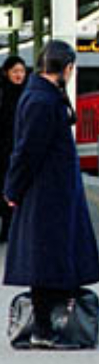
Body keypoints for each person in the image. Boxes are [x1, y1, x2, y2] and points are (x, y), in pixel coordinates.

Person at [4, 40, 99, 349]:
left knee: (53, 260)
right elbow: (27, 151)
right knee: (47, 262)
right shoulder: (41, 101)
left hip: (53, 194)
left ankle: (53, 328)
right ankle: (44, 330)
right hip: (46, 196)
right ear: (67, 68)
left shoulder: (42, 96)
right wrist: (13, 188)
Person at [0, 55, 27, 242]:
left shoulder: (29, 95)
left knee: (16, 190)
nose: (19, 75)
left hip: (19, 151)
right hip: (2, 151)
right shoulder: (2, 94)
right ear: (6, 73)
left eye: (22, 71)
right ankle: (6, 228)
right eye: (15, 71)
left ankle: (13, 230)